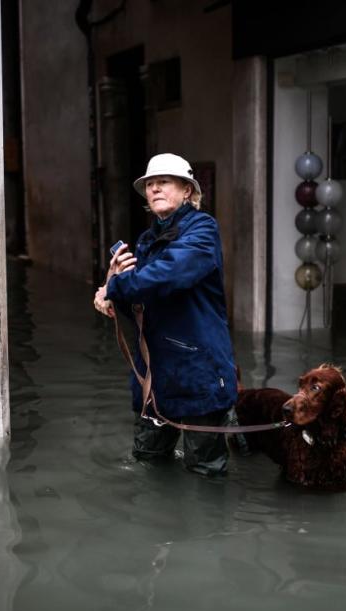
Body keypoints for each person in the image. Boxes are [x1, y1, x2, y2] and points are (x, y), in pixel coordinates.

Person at [93, 153, 238, 477]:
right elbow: (142, 304)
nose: (154, 189)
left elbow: (170, 274)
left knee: (206, 474)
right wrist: (111, 294)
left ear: (187, 190)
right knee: (147, 463)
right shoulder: (146, 241)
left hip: (199, 373)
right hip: (155, 378)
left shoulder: (202, 230)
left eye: (164, 182)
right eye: (150, 185)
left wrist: (117, 287)